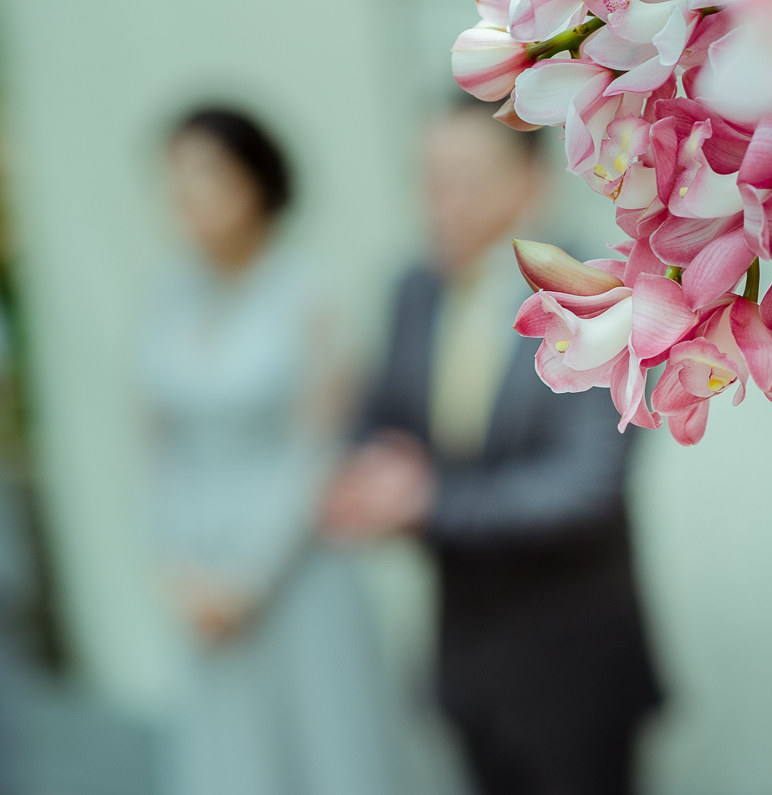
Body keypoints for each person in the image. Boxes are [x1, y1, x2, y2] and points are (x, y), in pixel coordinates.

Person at [322, 100, 663, 795]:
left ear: (530, 179)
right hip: (464, 656)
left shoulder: (597, 298)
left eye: (464, 180)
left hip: (573, 664)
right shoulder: (413, 289)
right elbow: (383, 414)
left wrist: (428, 502)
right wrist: (366, 467)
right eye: (429, 178)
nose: (441, 202)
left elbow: (587, 484)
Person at [141, 107, 395, 795]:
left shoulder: (306, 293)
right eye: (175, 176)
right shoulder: (164, 298)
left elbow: (318, 447)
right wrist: (176, 565)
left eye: (207, 173)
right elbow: (157, 444)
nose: (188, 193)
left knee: (325, 751)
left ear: (253, 181)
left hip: (294, 567)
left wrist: (246, 581)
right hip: (200, 571)